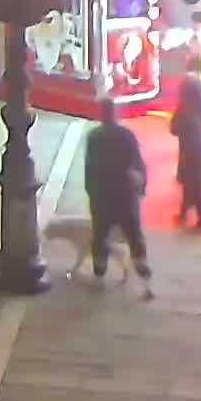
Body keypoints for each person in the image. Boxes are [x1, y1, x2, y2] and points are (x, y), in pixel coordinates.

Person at [82, 116, 154, 296]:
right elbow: (138, 162)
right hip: (126, 195)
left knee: (100, 236)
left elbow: (89, 167)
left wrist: (90, 192)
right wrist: (142, 186)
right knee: (135, 238)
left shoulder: (94, 136)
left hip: (102, 195)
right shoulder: (126, 135)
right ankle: (146, 284)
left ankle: (99, 277)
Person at [168, 68, 201, 232]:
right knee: (193, 184)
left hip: (189, 152)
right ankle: (186, 213)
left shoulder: (185, 108)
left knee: (192, 185)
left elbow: (174, 128)